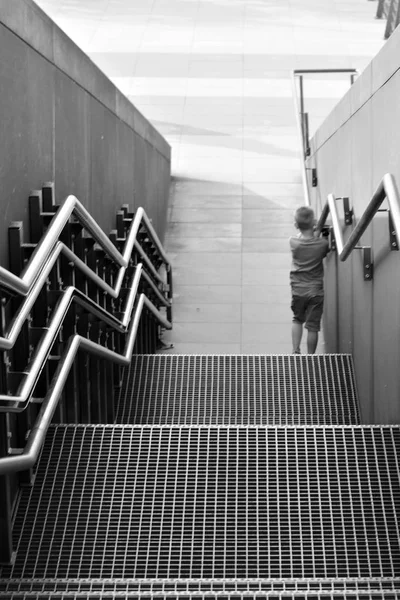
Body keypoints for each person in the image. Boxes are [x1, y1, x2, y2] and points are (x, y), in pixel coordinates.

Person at [290, 206, 329, 354]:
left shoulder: (293, 242)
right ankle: (311, 357)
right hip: (315, 291)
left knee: (297, 319)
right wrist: (317, 230)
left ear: (296, 225)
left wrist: (310, 229)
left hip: (298, 289)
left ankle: (295, 350)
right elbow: (320, 246)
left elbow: (304, 239)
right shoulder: (322, 244)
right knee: (313, 326)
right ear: (314, 222)